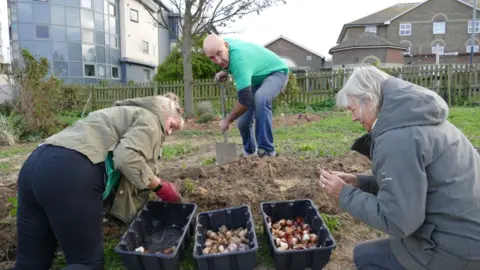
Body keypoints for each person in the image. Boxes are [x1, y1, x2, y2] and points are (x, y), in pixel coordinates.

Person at [318, 66, 480, 270]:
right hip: (464, 233)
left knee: (365, 256)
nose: (353, 118)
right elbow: (413, 185)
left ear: (368, 100)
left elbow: (398, 222)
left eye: (352, 109)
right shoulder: (419, 117)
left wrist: (344, 194)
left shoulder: (396, 139)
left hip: (454, 250)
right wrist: (360, 183)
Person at [13, 93, 184, 270]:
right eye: (173, 125)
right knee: (86, 264)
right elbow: (127, 159)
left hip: (33, 166)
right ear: (164, 110)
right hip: (70, 172)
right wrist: (161, 187)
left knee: (31, 263)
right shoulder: (150, 119)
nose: (169, 132)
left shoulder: (119, 112)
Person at [202, 34, 289, 157]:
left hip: (276, 73)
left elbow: (245, 100)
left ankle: (266, 150)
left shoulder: (240, 60)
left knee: (261, 97)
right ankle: (249, 151)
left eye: (219, 53)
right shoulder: (225, 46)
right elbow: (228, 60)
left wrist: (227, 120)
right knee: (243, 121)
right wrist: (226, 71)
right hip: (256, 79)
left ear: (226, 46)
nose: (218, 60)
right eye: (212, 57)